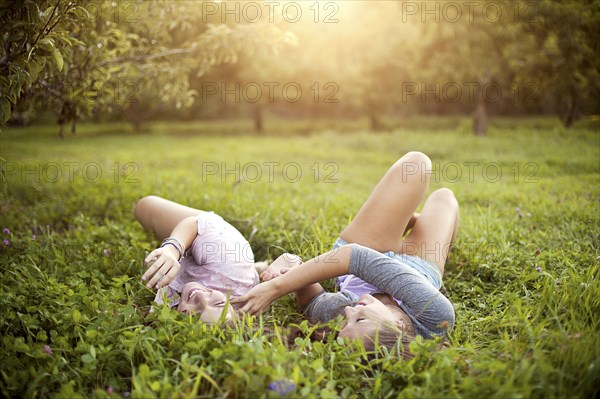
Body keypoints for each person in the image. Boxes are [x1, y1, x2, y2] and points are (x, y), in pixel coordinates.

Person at [232, 151, 459, 351]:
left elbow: (312, 301)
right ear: (399, 326)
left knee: (414, 166)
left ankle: (396, 224)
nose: (349, 313)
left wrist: (288, 266)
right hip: (417, 264)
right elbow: (355, 258)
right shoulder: (435, 317)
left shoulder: (340, 314)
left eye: (345, 324)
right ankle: (404, 224)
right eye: (359, 320)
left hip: (368, 246)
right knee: (442, 194)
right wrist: (275, 289)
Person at [134, 196, 267, 323]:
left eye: (196, 314)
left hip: (231, 272)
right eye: (218, 303)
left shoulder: (174, 308)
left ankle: (256, 268)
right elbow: (193, 224)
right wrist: (172, 249)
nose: (201, 298)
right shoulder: (226, 263)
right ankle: (256, 267)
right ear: (228, 304)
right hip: (214, 238)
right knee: (144, 207)